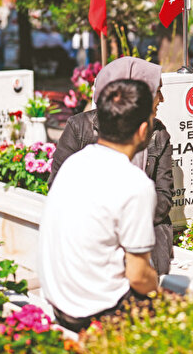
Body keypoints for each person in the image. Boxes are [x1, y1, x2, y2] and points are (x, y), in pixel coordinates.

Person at [39, 79, 159, 332]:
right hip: (94, 312)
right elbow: (138, 276)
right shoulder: (135, 184)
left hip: (58, 301)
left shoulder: (74, 162)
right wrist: (157, 285)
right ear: (143, 129)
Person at [47, 57, 173, 275]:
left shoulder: (158, 134)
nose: (162, 99)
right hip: (89, 227)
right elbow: (58, 187)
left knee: (147, 271)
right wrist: (108, 224)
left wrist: (131, 221)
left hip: (145, 224)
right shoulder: (79, 127)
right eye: (157, 91)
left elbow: (164, 195)